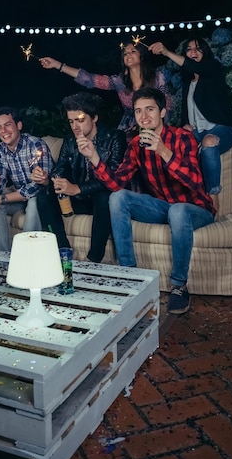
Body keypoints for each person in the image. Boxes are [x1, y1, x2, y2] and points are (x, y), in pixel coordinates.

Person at [76, 87, 215, 315]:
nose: (143, 116)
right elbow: (116, 184)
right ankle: (130, 276)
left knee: (178, 211)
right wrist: (94, 157)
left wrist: (163, 151)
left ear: (162, 112)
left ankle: (179, 286)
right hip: (163, 208)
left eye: (149, 109)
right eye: (138, 111)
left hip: (196, 209)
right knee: (118, 197)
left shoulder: (183, 137)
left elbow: (196, 182)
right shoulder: (135, 145)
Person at [149, 38, 232, 213]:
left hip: (224, 128)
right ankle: (174, 200)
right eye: (189, 49)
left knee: (208, 142)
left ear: (205, 52)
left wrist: (167, 52)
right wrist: (185, 126)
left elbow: (194, 67)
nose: (193, 52)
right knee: (172, 143)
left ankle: (213, 197)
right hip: (197, 132)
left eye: (198, 49)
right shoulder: (188, 82)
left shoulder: (213, 69)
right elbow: (189, 112)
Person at [31, 92, 126, 263]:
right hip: (79, 199)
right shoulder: (69, 142)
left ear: (94, 117)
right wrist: (49, 179)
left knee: (103, 196)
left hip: (101, 201)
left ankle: (94, 258)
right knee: (43, 195)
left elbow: (113, 179)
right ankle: (62, 251)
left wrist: (77, 188)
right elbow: (59, 168)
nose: (75, 126)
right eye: (71, 121)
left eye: (80, 120)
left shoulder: (115, 138)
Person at [39, 41, 172, 140]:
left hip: (155, 125)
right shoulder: (120, 82)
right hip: (129, 130)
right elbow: (90, 79)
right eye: (125, 53)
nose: (128, 55)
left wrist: (163, 128)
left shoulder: (156, 77)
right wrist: (58, 65)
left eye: (133, 51)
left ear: (141, 56)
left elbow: (167, 105)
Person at [0, 106, 54, 252]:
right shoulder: (0, 150)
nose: (4, 131)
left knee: (33, 202)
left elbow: (36, 187)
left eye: (7, 125)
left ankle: (25, 254)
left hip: (43, 196)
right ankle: (3, 257)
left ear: (18, 125)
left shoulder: (35, 144)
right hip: (20, 196)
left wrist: (0, 199)